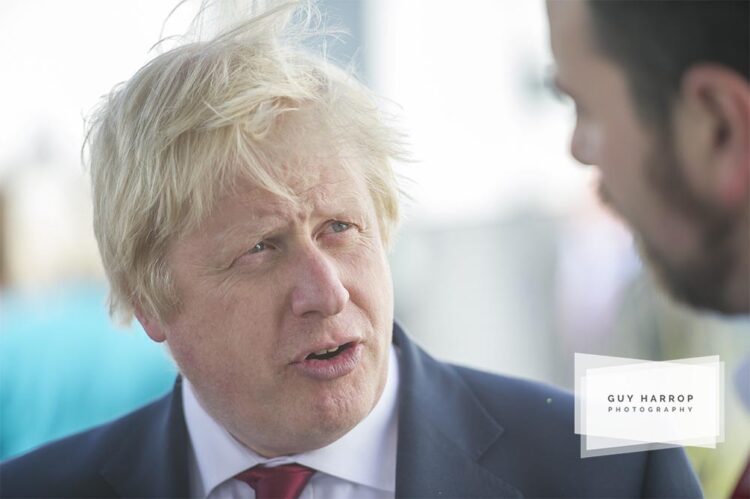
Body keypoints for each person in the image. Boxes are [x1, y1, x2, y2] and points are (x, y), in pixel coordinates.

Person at [1, 1, 702, 497]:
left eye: (340, 227)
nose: (327, 290)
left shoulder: (613, 472)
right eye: (260, 248)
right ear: (152, 299)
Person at [546, 0, 749, 497]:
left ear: (719, 125)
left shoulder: (685, 266)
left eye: (585, 108)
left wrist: (537, 420)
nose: (578, 150)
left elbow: (704, 401)